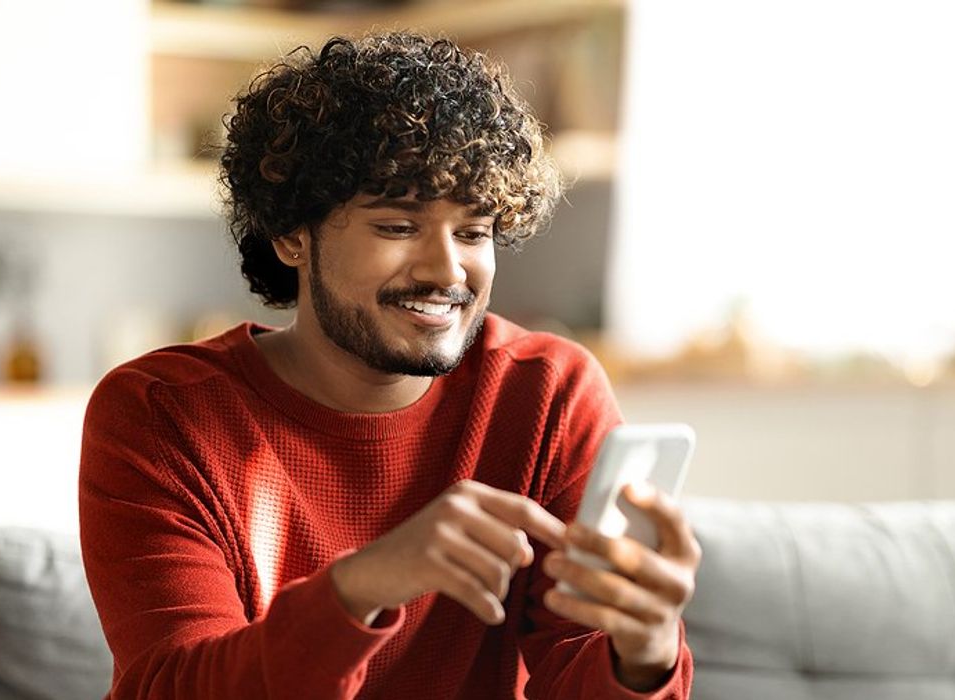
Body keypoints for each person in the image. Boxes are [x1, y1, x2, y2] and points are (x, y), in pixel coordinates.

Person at [79, 32, 699, 699]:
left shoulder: (546, 392)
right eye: (397, 227)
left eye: (473, 231)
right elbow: (172, 687)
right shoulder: (161, 411)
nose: (445, 270)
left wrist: (644, 652)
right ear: (291, 233)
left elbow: (578, 667)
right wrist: (365, 584)